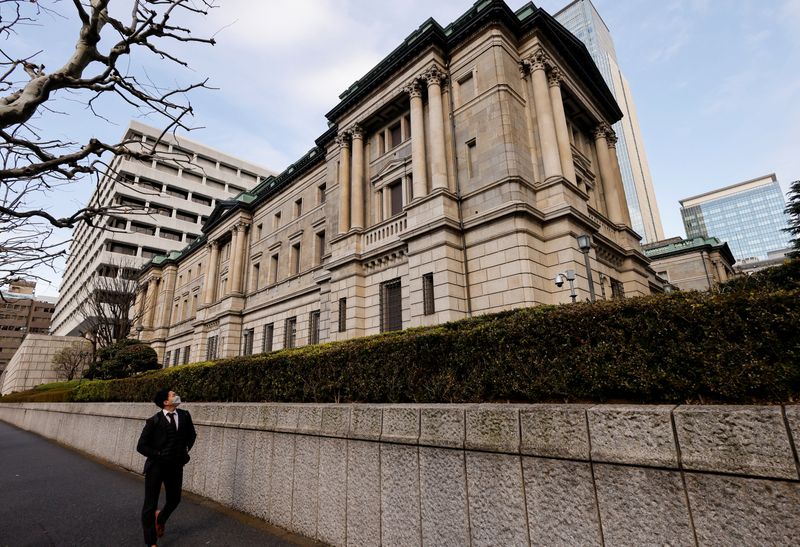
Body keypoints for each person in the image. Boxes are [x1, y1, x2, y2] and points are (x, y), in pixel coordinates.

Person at [137, 388, 197, 547]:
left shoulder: (185, 415)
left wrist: (184, 451)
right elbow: (141, 446)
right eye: (173, 395)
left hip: (176, 466)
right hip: (156, 467)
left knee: (175, 499)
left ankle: (161, 519)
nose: (176, 396)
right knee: (150, 504)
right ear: (166, 402)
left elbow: (192, 435)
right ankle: (151, 542)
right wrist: (157, 453)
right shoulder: (153, 421)